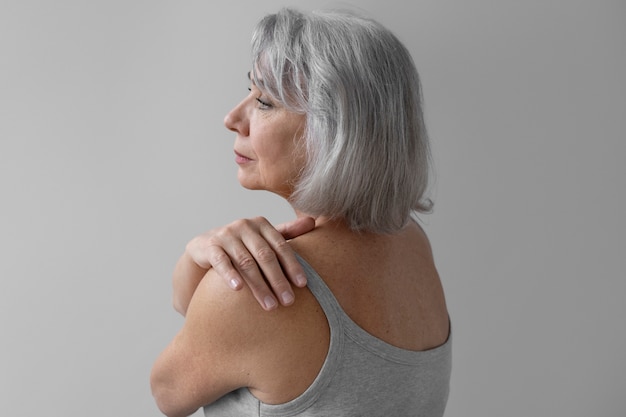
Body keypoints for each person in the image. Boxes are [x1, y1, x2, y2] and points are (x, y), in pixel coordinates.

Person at [151, 7, 451, 417]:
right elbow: (208, 326)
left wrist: (208, 268)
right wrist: (200, 254)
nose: (232, 118)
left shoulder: (259, 296)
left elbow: (167, 393)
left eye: (265, 101)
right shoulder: (411, 242)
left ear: (334, 132)